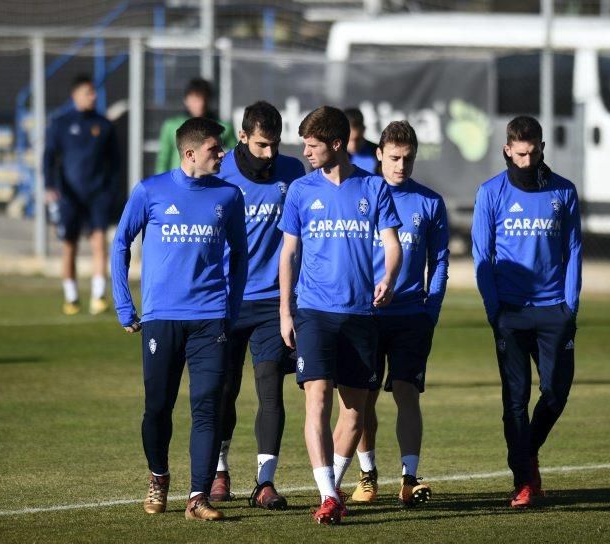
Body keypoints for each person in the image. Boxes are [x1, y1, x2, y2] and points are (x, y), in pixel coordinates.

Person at [111, 117, 248, 521]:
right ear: (190, 154)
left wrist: (232, 309)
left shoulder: (229, 196)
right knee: (158, 408)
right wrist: (124, 304)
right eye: (213, 149)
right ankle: (158, 476)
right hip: (160, 318)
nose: (222, 154)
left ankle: (198, 497)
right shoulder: (150, 191)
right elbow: (120, 243)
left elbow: (240, 255)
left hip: (210, 319)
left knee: (208, 406)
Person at [277, 105, 403, 525]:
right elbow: (289, 253)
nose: (306, 152)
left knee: (354, 412)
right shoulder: (299, 190)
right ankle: (330, 495)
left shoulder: (374, 188)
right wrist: (285, 311)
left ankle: (333, 488)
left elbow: (392, 243)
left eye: (312, 146)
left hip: (361, 313)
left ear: (335, 144)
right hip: (313, 310)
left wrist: (388, 276)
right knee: (318, 398)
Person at [471, 115, 582, 508]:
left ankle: (526, 451)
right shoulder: (491, 193)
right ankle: (523, 480)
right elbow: (482, 255)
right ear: (507, 150)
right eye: (520, 153)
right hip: (511, 313)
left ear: (542, 149)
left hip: (555, 311)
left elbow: (573, 252)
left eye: (534, 153)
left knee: (555, 394)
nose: (527, 159)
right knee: (514, 400)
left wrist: (570, 305)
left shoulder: (563, 192)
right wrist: (494, 310)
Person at [349, 121, 449, 507]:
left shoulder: (429, 202)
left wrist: (431, 310)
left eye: (407, 159)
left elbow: (439, 261)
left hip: (411, 315)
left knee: (407, 392)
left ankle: (409, 477)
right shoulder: (362, 196)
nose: (400, 165)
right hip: (367, 315)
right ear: (379, 154)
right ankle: (367, 474)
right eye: (393, 157)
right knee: (364, 399)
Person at [212, 101, 306, 509]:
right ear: (243, 137)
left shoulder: (292, 172)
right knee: (224, 390)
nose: (270, 155)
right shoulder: (219, 173)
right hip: (225, 302)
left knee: (271, 390)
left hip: (274, 302)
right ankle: (218, 471)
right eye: (262, 145)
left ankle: (265, 483)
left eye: (275, 145)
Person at [43, 74, 120, 316]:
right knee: (69, 246)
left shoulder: (104, 125)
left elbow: (115, 162)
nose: (93, 96)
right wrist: (50, 186)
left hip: (97, 195)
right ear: (75, 95)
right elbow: (49, 158)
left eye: (94, 92)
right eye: (88, 92)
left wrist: (110, 190)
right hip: (69, 196)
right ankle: (71, 298)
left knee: (100, 243)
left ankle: (99, 296)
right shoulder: (60, 123)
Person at [154, 78, 236, 174]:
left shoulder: (224, 128)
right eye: (195, 99)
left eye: (203, 98)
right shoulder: (171, 126)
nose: (200, 104)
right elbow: (163, 160)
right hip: (178, 184)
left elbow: (234, 158)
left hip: (211, 183)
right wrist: (163, 184)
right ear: (186, 100)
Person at [344, 108, 378, 174]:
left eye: (357, 139)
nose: (353, 145)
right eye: (348, 140)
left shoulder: (380, 153)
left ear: (363, 129)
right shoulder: (332, 157)